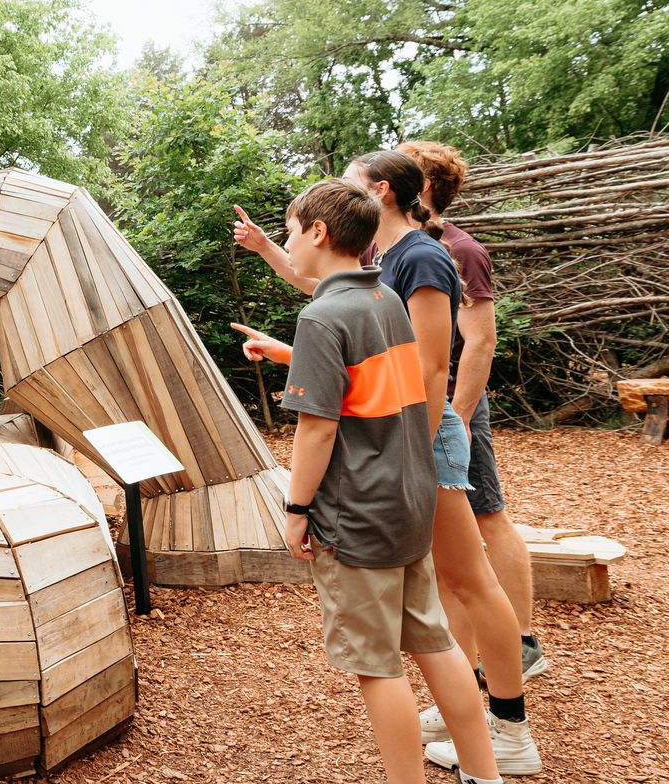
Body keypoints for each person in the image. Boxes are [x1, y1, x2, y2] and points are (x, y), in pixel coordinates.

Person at [234, 152, 542, 777]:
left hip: (364, 505)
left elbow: (320, 427)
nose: (289, 240)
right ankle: (485, 771)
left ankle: (466, 749)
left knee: (379, 666)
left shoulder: (346, 302)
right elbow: (381, 379)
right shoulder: (384, 295)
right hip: (405, 497)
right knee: (435, 641)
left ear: (319, 232)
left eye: (292, 230)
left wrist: (296, 508)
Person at [398, 139, 549, 685]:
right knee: (455, 538)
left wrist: (458, 415)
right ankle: (466, 665)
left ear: (425, 186)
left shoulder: (461, 251)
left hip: (454, 403)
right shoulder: (398, 247)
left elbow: (479, 342)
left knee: (487, 514)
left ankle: (524, 644)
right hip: (427, 403)